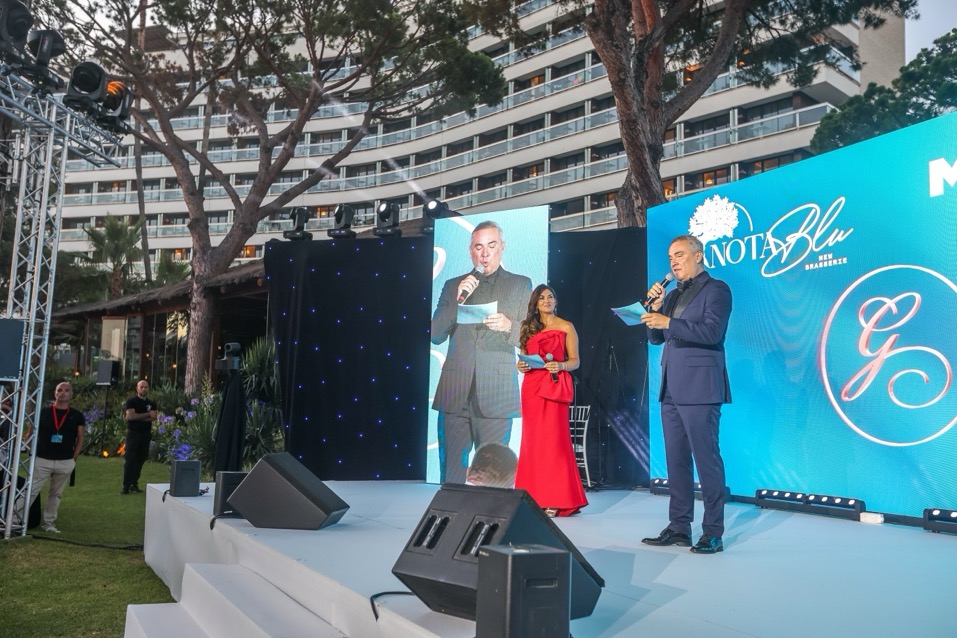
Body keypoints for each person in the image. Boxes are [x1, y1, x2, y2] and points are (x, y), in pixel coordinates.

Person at [639, 234, 732, 554]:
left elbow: (712, 332)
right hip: (671, 388)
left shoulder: (717, 289)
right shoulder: (672, 295)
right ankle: (679, 527)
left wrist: (668, 320)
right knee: (676, 460)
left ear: (698, 256)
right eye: (670, 257)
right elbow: (656, 338)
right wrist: (655, 310)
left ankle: (713, 532)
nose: (673, 262)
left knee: (707, 460)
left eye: (679, 254)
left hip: (701, 387)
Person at [431, 220, 532, 484]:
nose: (485, 253)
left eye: (491, 245)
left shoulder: (520, 284)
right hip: (455, 393)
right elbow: (435, 334)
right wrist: (458, 299)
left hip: (496, 393)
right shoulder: (453, 285)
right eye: (478, 247)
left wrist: (509, 326)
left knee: (495, 480)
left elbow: (531, 339)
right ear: (470, 251)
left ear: (502, 247)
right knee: (451, 475)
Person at [514, 285, 587, 517]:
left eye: (550, 297)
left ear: (556, 301)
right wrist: (521, 365)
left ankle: (556, 498)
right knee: (533, 444)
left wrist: (561, 365)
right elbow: (524, 357)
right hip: (532, 389)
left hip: (554, 388)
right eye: (542, 298)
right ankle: (534, 498)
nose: (547, 300)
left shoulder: (566, 326)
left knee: (554, 444)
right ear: (535, 303)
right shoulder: (528, 328)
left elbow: (575, 361)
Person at [23, 382, 85, 533]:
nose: (63, 393)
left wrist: (73, 459)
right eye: (60, 390)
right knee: (30, 491)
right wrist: (32, 453)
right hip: (42, 459)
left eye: (67, 390)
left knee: (56, 494)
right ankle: (12, 520)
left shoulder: (76, 415)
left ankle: (49, 523)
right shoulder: (43, 412)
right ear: (55, 393)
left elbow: (80, 438)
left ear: (71, 394)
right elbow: (29, 435)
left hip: (65, 461)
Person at [122, 379, 157, 495]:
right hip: (133, 434)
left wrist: (138, 416)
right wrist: (147, 415)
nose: (143, 389)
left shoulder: (152, 404)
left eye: (146, 387)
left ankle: (134, 484)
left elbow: (154, 417)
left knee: (141, 459)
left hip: (145, 434)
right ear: (137, 389)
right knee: (130, 459)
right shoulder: (131, 402)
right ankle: (126, 486)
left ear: (148, 388)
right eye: (141, 387)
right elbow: (131, 417)